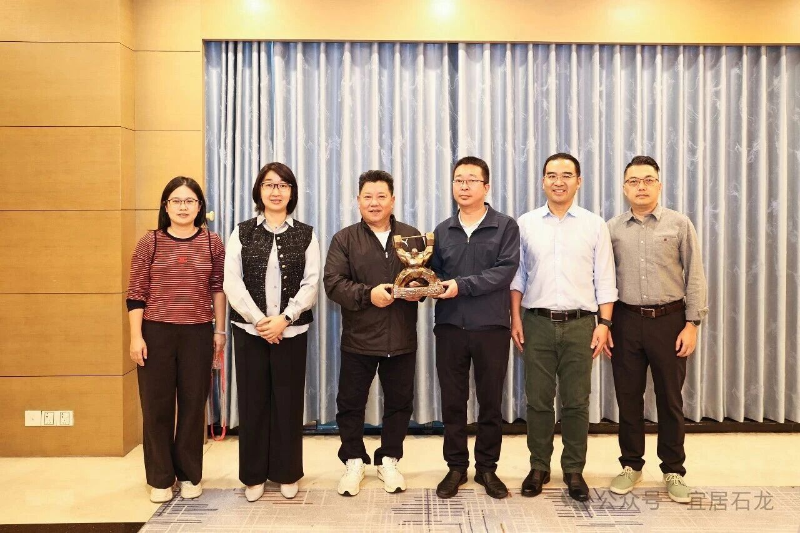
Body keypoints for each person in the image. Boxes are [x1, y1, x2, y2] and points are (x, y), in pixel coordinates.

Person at [510, 153, 617, 502]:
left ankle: (573, 470)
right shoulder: (526, 224)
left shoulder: (594, 225)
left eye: (567, 175)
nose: (559, 181)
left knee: (576, 402)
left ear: (578, 181)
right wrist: (515, 319)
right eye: (552, 175)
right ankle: (538, 467)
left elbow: (605, 279)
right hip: (536, 322)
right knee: (538, 400)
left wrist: (604, 324)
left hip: (581, 325)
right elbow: (518, 277)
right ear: (543, 181)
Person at [606, 155, 708, 504]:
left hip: (670, 321)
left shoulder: (679, 224)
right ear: (624, 188)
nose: (641, 187)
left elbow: (695, 276)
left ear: (659, 185)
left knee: (670, 399)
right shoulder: (613, 228)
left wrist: (692, 324)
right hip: (625, 321)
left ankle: (674, 469)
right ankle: (630, 465)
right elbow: (603, 280)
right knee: (628, 398)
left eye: (648, 180)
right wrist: (605, 325)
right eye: (634, 181)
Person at [223, 162, 320, 501]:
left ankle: (287, 472)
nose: (276, 191)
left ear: (292, 192)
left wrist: (285, 319)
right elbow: (232, 282)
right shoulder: (241, 232)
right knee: (253, 404)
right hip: (249, 332)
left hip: (291, 332)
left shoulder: (306, 234)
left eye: (283, 185)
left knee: (287, 404)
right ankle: (253, 476)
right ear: (259, 191)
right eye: (269, 184)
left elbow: (311, 283)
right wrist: (260, 321)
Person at [323, 170, 423, 497]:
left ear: (392, 200)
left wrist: (420, 290)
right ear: (358, 201)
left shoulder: (411, 237)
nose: (374, 203)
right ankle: (354, 460)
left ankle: (389, 460)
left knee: (399, 403)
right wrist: (369, 295)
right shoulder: (344, 239)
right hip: (359, 340)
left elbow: (421, 276)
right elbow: (333, 284)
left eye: (381, 196)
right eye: (368, 196)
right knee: (350, 403)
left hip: (401, 338)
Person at [127, 176, 226, 503]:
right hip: (156, 333)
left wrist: (219, 331)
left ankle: (189, 475)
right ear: (166, 206)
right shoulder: (150, 242)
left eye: (190, 201)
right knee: (156, 407)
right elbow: (136, 293)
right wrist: (136, 337)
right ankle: (160, 478)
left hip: (198, 332)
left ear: (199, 206)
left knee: (193, 405)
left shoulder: (212, 242)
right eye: (176, 201)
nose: (183, 207)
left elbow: (218, 289)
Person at [431, 156, 520, 500]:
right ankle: (456, 467)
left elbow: (505, 271)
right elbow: (435, 273)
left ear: (486, 186)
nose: (464, 186)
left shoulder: (505, 227)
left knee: (490, 402)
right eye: (458, 180)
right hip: (450, 327)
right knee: (453, 402)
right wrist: (425, 284)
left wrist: (461, 285)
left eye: (471, 180)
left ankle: (487, 468)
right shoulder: (442, 230)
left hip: (491, 327)